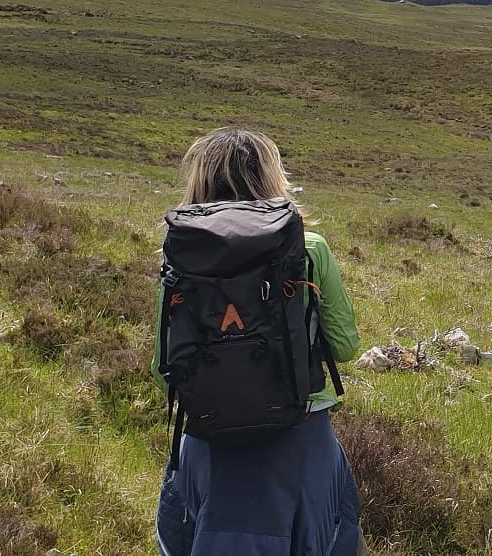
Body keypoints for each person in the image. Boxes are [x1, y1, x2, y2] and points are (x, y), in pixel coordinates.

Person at [154, 127, 362, 556]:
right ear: (272, 177)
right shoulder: (309, 247)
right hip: (303, 440)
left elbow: (163, 371)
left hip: (208, 442)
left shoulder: (181, 253)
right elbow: (344, 347)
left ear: (199, 180)